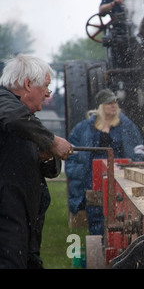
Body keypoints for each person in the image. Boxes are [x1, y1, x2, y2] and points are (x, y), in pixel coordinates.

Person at [0, 54, 73, 269]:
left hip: (25, 216)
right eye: (46, 87)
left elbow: (50, 171)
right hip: (6, 215)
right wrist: (52, 141)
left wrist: (47, 154)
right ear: (28, 84)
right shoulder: (5, 103)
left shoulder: (29, 120)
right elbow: (14, 119)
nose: (48, 95)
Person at [65, 89, 144, 236]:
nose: (114, 105)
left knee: (119, 215)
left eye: (115, 102)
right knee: (96, 215)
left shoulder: (127, 126)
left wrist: (135, 167)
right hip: (92, 179)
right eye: (109, 103)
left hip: (119, 179)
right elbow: (70, 155)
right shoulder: (83, 128)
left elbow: (138, 151)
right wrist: (78, 173)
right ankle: (100, 245)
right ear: (101, 106)